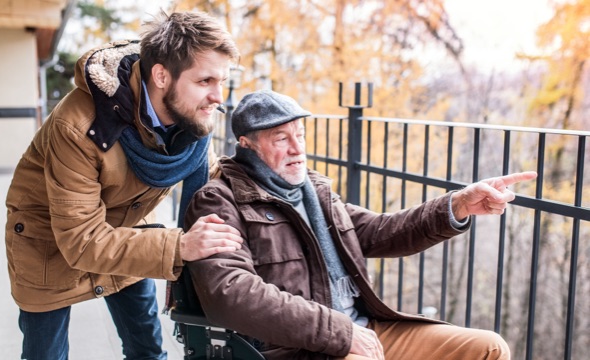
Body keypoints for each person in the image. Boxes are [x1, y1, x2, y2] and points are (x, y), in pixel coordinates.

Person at [184, 90, 538, 360]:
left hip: (364, 328)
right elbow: (230, 293)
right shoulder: (219, 200)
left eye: (300, 135)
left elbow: (383, 230)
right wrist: (338, 332)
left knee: (488, 348)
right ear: (246, 145)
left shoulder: (315, 194)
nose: (297, 148)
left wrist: (458, 203)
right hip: (299, 347)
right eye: (281, 138)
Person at [4, 11, 244, 360]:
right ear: (161, 75)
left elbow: (211, 187)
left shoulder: (190, 121)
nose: (217, 96)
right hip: (49, 239)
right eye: (205, 81)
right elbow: (81, 241)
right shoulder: (80, 126)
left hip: (127, 224)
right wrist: (179, 246)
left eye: (222, 80)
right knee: (45, 354)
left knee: (148, 350)